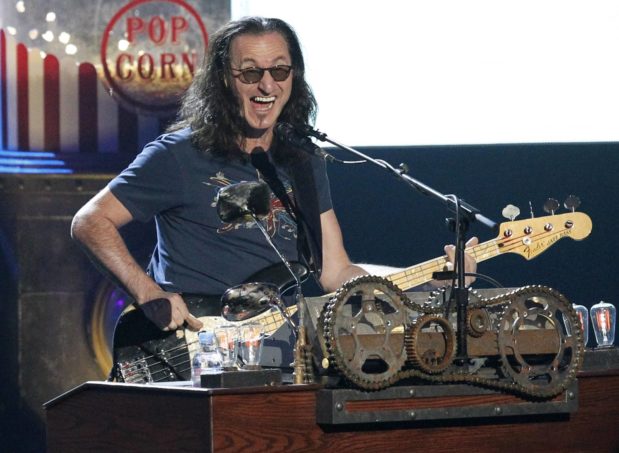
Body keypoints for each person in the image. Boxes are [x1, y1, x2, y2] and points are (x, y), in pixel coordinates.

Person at [71, 17, 477, 339]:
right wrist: (147, 292)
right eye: (250, 73)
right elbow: (90, 221)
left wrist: (428, 279)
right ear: (223, 80)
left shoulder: (301, 161)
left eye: (280, 71)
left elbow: (335, 271)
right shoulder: (178, 155)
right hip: (189, 344)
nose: (267, 85)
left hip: (276, 350)